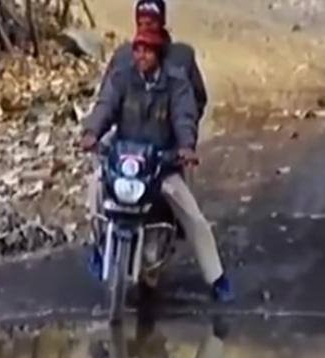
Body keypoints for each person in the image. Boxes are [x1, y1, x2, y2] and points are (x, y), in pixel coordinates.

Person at [80, 29, 234, 303]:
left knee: (192, 215)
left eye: (148, 51)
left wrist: (186, 147)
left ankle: (217, 277)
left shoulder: (176, 84)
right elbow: (105, 106)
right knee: (95, 186)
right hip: (125, 161)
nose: (141, 56)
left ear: (159, 55)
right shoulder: (122, 77)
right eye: (138, 50)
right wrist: (92, 131)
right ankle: (97, 246)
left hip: (161, 164)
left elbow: (184, 116)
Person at [100, 0, 208, 123]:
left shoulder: (182, 58)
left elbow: (198, 100)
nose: (145, 28)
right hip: (127, 136)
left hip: (168, 136)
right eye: (140, 24)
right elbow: (106, 98)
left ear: (161, 23)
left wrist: (183, 126)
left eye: (151, 24)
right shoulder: (123, 56)